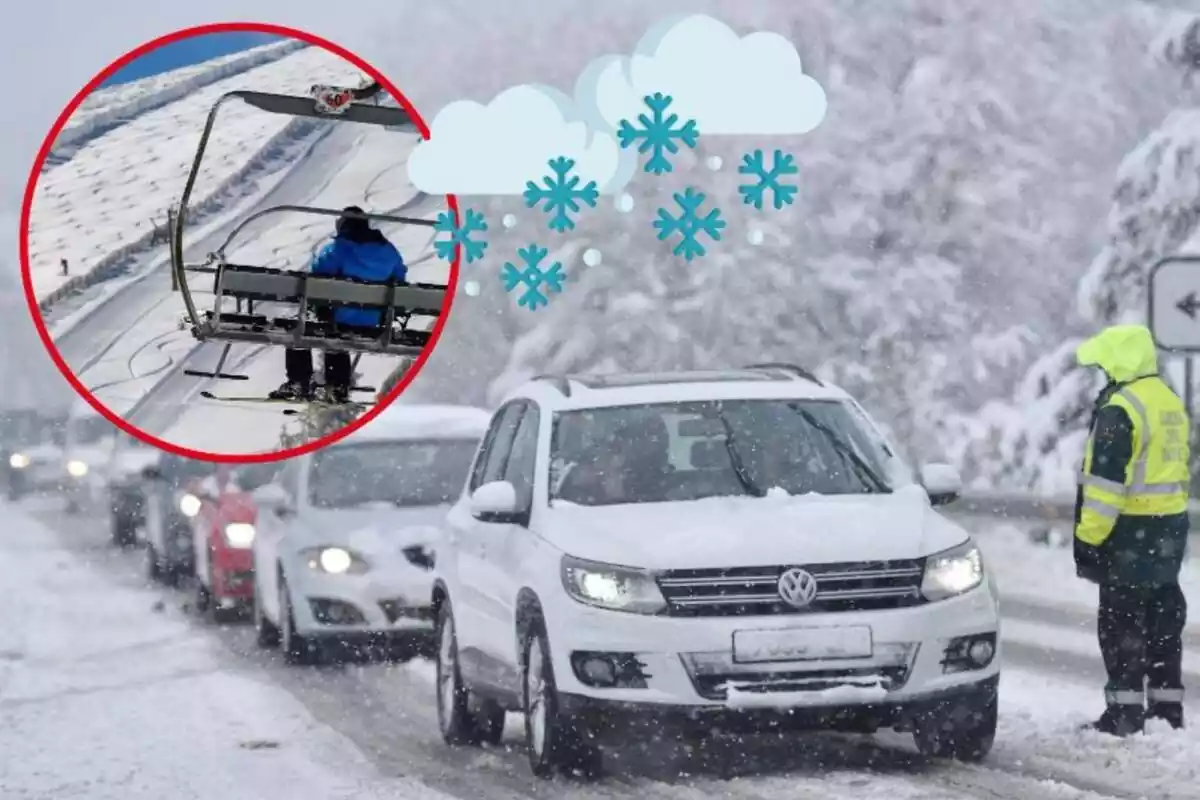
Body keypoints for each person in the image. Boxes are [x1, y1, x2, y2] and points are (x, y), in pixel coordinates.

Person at [1073, 323, 1189, 736]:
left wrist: (1088, 538)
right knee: (1164, 619)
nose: (1103, 372)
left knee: (1122, 625)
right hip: (1169, 529)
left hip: (1129, 533)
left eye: (1105, 363)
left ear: (1119, 361)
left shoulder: (1122, 408)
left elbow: (1105, 489)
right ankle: (1167, 710)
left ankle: (1124, 715)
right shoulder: (1168, 401)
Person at [269, 206, 407, 403]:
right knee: (336, 331)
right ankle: (338, 386)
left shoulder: (338, 249)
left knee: (304, 327)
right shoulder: (389, 251)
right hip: (371, 321)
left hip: (337, 318)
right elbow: (400, 279)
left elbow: (317, 279)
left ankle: (299, 381)